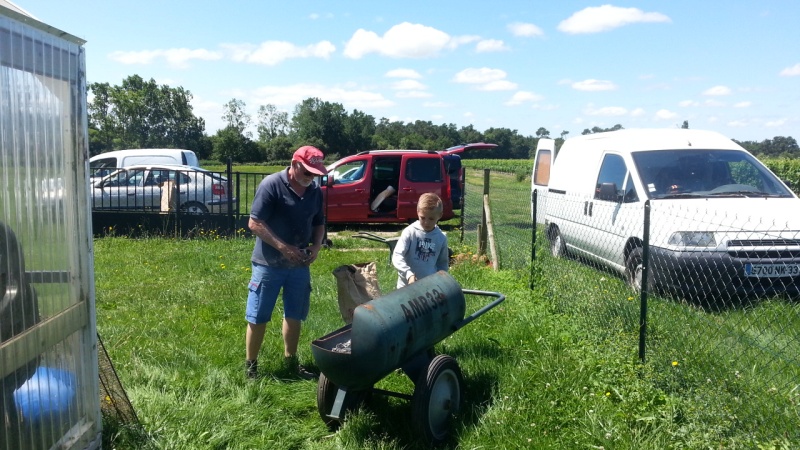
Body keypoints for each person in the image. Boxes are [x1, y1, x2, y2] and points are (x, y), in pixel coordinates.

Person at [244, 145, 326, 380]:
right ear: (295, 164)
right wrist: (283, 248)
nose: (311, 178)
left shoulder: (315, 192)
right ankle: (251, 367)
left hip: (299, 265)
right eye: (308, 172)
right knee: (258, 315)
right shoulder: (271, 185)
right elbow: (254, 223)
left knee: (295, 314)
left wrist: (317, 245)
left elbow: (319, 222)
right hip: (268, 264)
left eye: (315, 173)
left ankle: (291, 361)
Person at [391, 193, 450, 289]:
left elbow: (442, 264)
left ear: (439, 215)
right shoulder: (410, 232)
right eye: (423, 218)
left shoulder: (441, 237)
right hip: (406, 287)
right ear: (418, 212)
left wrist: (440, 281)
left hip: (428, 287)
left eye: (431, 219)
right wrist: (408, 274)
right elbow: (397, 255)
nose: (426, 222)